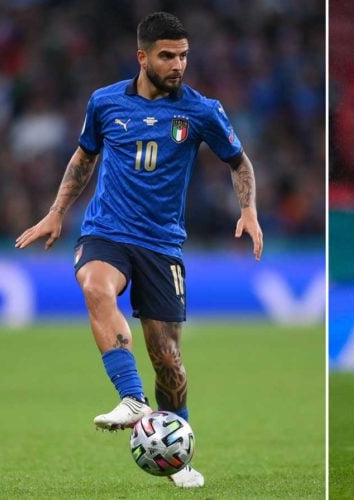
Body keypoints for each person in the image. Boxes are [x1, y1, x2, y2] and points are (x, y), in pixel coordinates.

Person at [15, 12, 263, 488]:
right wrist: (56, 211)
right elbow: (84, 157)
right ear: (142, 56)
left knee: (168, 362)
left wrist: (248, 210)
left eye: (184, 55)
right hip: (106, 230)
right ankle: (131, 398)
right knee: (94, 283)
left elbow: (239, 161)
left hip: (162, 245)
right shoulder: (105, 103)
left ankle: (178, 453)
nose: (178, 65)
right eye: (168, 55)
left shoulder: (202, 111)